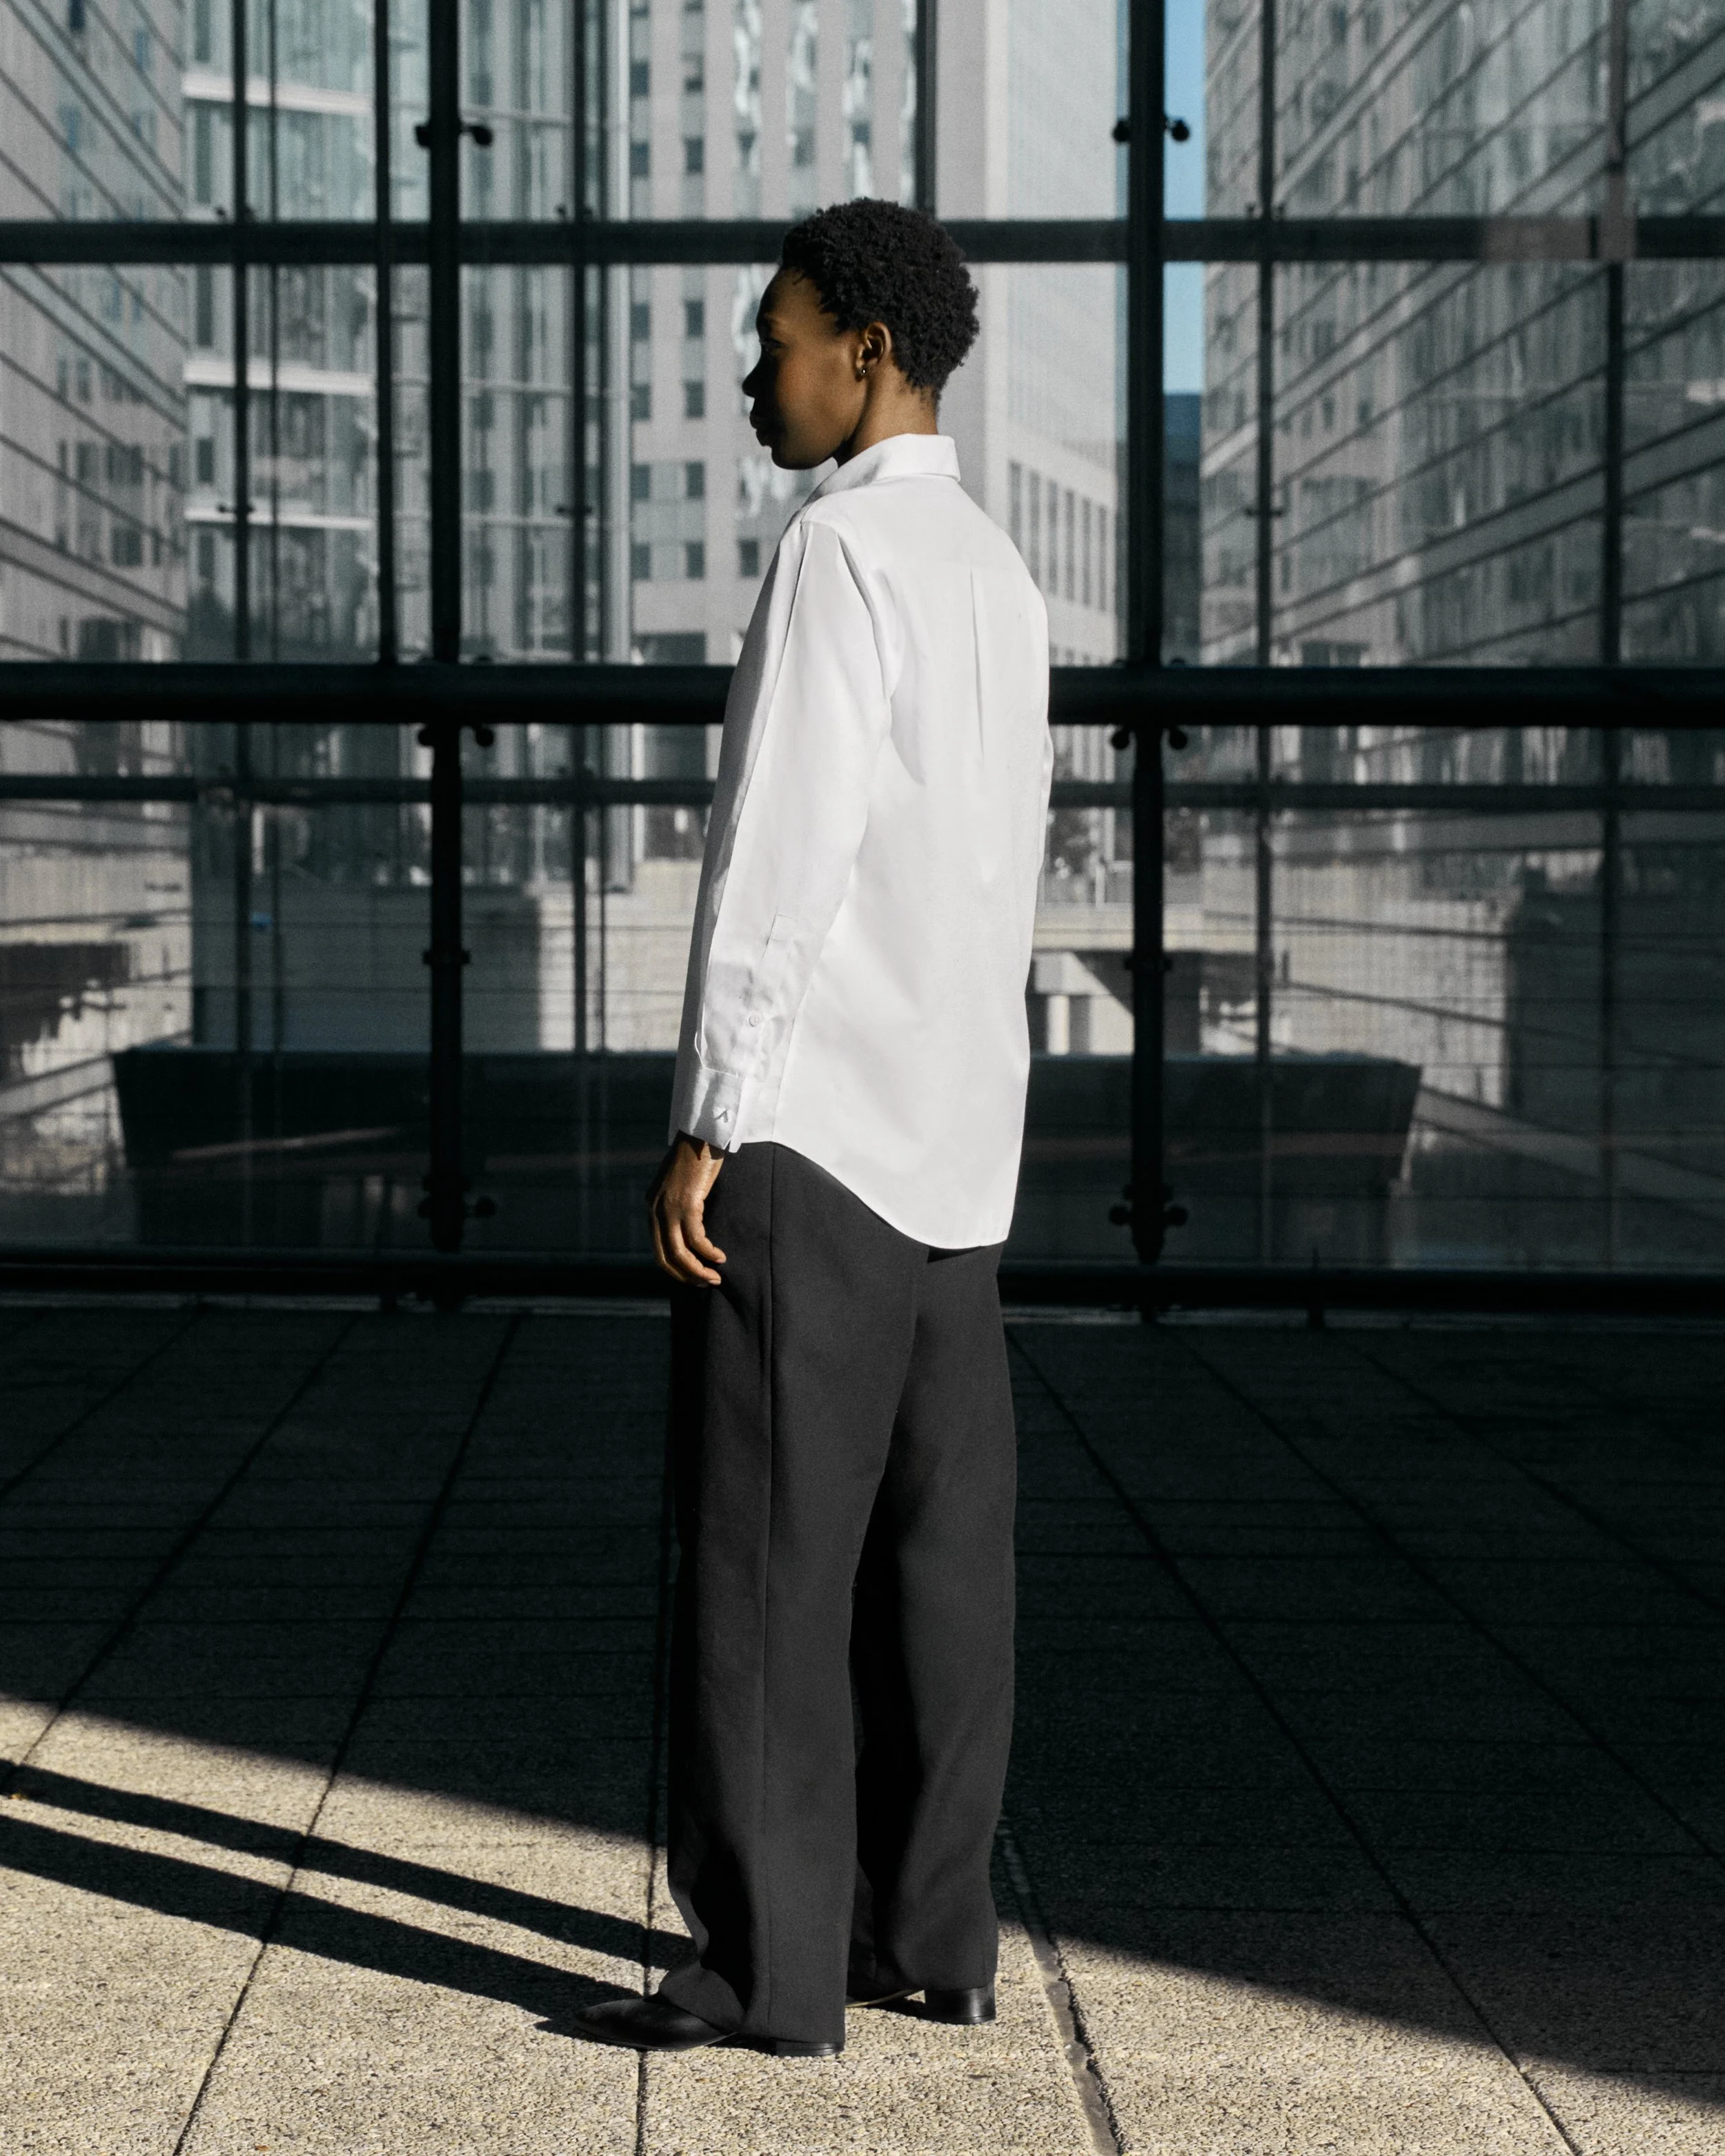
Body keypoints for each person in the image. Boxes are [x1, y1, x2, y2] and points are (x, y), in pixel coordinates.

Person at [571, 197, 1052, 2061]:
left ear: (863, 345)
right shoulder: (998, 576)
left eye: (771, 337)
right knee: (943, 1566)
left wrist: (711, 1116)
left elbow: (784, 862)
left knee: (767, 1565)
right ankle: (933, 1933)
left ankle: (764, 1971)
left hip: (818, 1143)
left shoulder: (836, 559)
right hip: (952, 1145)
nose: (748, 370)